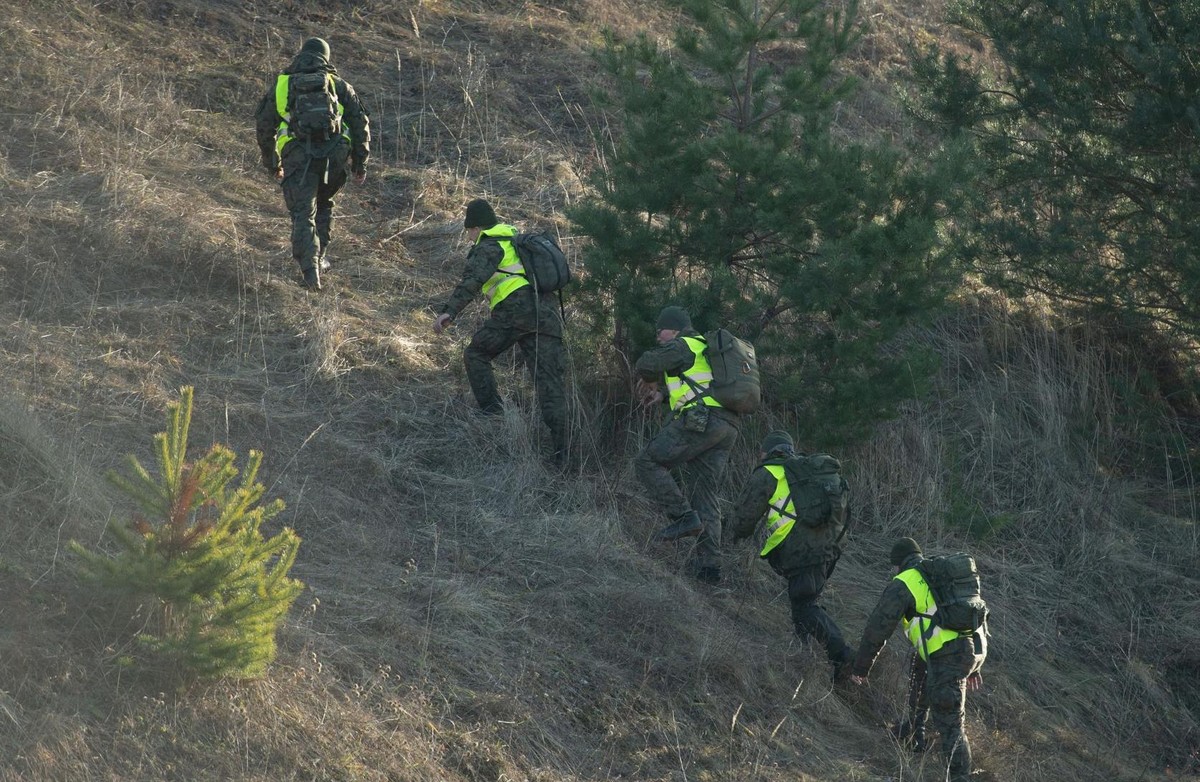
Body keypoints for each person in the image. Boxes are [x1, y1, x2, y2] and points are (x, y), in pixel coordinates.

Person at [432, 199, 568, 466]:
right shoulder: (515, 240)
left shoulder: (489, 244)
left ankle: (493, 415)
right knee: (549, 383)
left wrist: (450, 311)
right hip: (547, 314)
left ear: (474, 228)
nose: (469, 236)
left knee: (475, 354)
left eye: (468, 231)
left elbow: (473, 280)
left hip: (516, 311)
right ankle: (564, 455)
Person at [849, 538, 987, 782]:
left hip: (949, 655)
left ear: (897, 565)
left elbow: (877, 628)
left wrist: (861, 667)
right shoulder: (940, 578)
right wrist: (975, 666)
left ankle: (960, 777)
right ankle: (915, 733)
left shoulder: (904, 582)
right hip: (969, 648)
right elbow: (970, 617)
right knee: (920, 667)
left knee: (950, 720)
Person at [724, 430, 852, 679]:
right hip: (829, 549)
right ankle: (801, 658)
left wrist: (726, 536)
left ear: (766, 451)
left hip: (803, 551)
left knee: (804, 606)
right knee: (803, 604)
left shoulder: (769, 472)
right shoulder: (806, 473)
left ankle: (844, 657)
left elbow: (745, 519)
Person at [633, 305, 740, 585]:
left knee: (648, 462)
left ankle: (683, 517)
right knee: (705, 494)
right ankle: (710, 568)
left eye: (661, 331)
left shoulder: (683, 344)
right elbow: (698, 383)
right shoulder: (704, 347)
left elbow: (646, 364)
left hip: (701, 419)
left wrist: (649, 380)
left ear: (675, 329)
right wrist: (664, 395)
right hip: (726, 426)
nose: (658, 336)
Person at [255, 37, 371, 290]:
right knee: (324, 204)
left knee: (302, 213)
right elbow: (361, 122)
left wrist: (272, 163)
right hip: (335, 157)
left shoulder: (282, 84)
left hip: (298, 158)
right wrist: (359, 164)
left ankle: (310, 271)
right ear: (326, 58)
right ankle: (320, 260)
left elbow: (264, 127)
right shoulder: (336, 83)